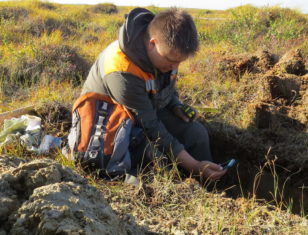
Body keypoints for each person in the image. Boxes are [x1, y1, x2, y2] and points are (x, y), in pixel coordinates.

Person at [68, 7, 226, 183]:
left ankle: (212, 187)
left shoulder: (165, 53)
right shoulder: (122, 69)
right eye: (171, 61)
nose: (174, 67)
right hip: (110, 121)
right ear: (152, 43)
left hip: (145, 109)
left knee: (196, 134)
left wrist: (175, 105)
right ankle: (189, 187)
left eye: (179, 63)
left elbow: (166, 87)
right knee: (159, 162)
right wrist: (194, 165)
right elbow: (151, 127)